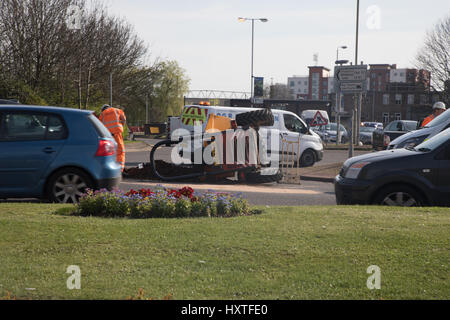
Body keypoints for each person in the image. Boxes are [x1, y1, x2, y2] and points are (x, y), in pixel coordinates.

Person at [99, 104, 127, 172]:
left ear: (103, 109)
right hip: (117, 134)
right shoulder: (117, 110)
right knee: (120, 152)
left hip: (108, 137)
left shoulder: (101, 114)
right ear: (109, 107)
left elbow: (100, 126)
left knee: (109, 153)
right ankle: (120, 169)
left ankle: (110, 168)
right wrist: (120, 126)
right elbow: (124, 119)